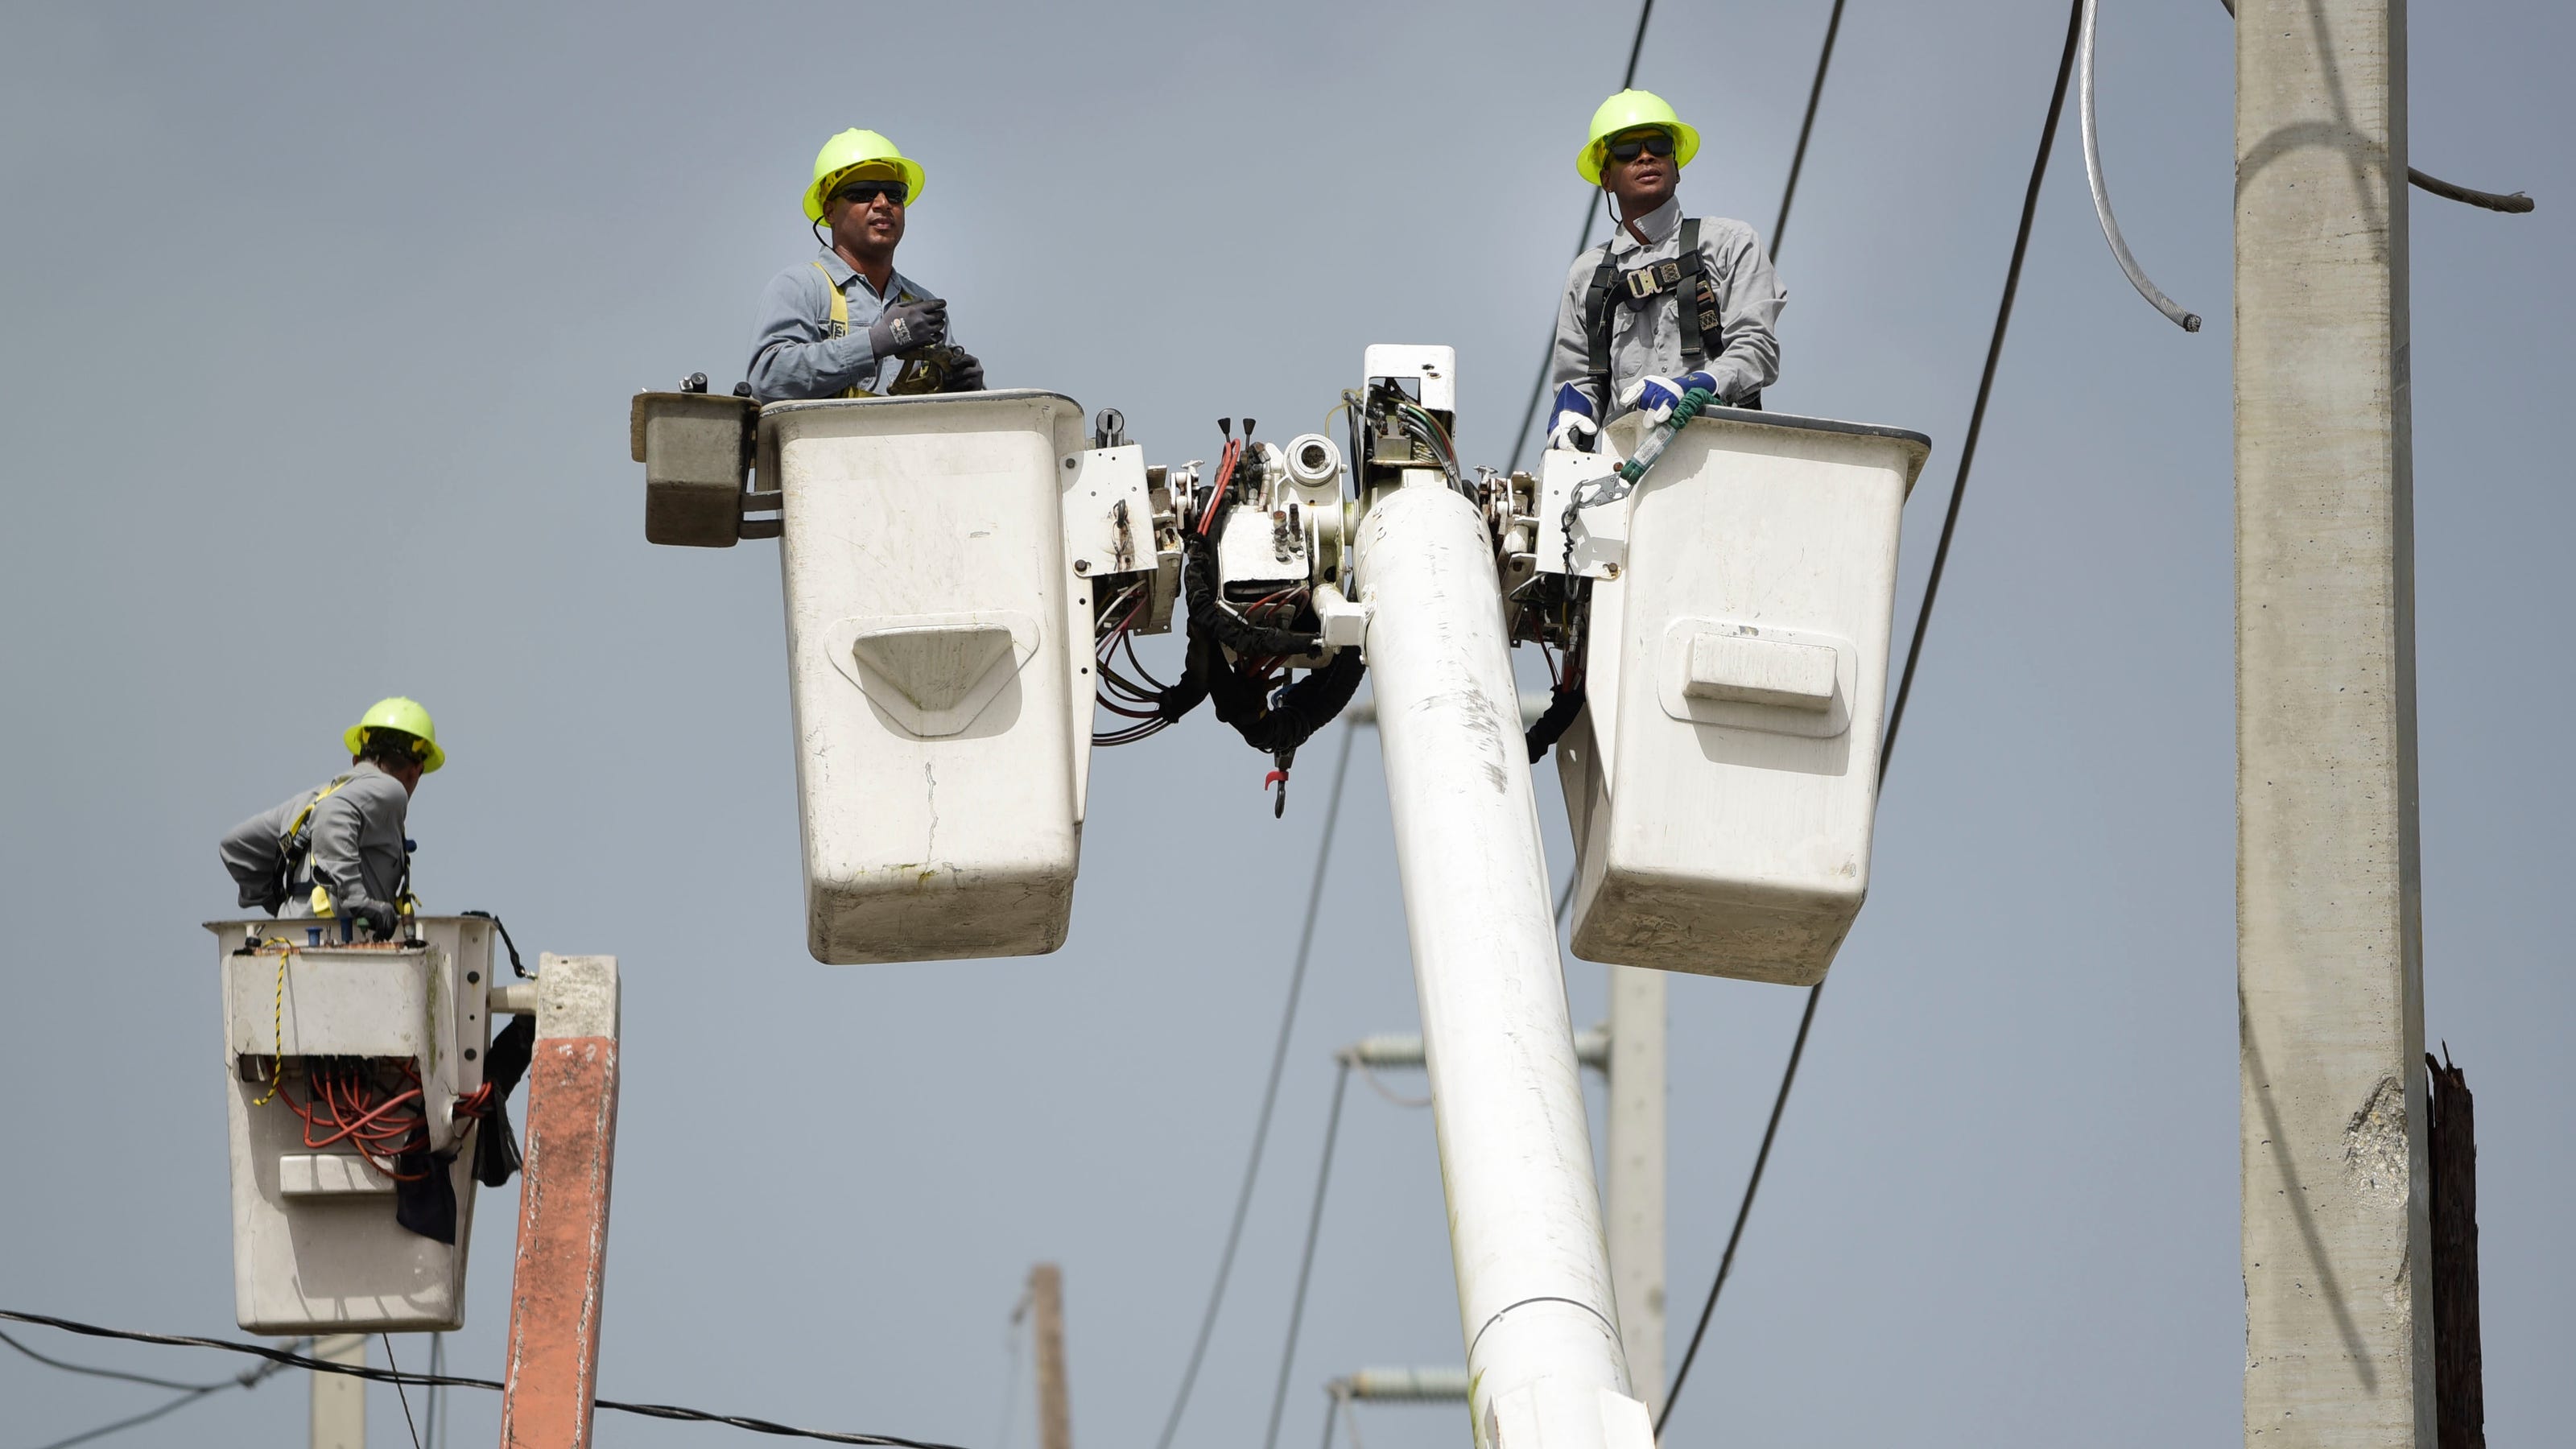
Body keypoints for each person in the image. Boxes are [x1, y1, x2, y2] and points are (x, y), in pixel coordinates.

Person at [1545, 90, 1786, 451]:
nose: (1645, 156)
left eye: (1658, 146)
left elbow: (1757, 348)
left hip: (1720, 453)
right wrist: (1571, 414)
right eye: (1627, 150)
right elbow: (1578, 380)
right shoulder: (1588, 276)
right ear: (1606, 177)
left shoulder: (1729, 243)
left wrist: (1702, 384)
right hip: (1628, 472)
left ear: (1676, 167)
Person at [745, 128, 987, 402]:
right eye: (862, 192)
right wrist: (875, 343)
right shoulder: (801, 287)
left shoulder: (921, 304)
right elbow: (768, 378)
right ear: (830, 210)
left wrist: (967, 392)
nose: (883, 203)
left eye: (895, 194)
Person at [219, 697, 443, 940]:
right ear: (415, 770)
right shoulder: (391, 790)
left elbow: (237, 847)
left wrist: (287, 910)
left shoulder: (309, 801)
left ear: (357, 760)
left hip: (286, 943)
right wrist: (357, 900)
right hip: (339, 950)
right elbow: (331, 816)